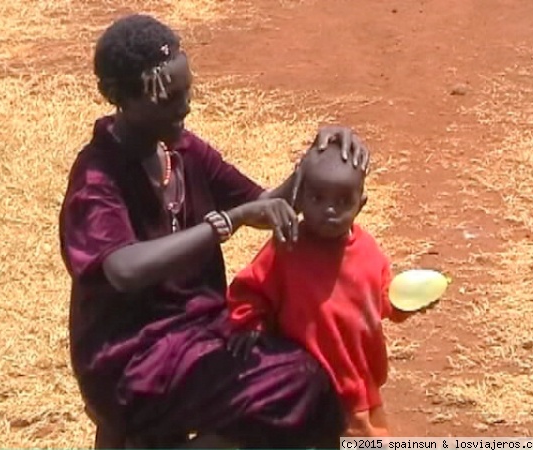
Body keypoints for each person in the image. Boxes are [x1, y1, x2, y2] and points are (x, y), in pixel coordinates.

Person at [58, 13, 370, 449]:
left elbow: (266, 203)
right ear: (124, 100)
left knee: (314, 368)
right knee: (300, 385)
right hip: (132, 358)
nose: (184, 106)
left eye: (186, 91)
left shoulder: (182, 151)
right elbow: (123, 269)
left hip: (199, 335)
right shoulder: (97, 178)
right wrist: (223, 224)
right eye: (168, 97)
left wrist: (319, 156)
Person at [226, 142, 434, 440]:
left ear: (361, 204)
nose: (329, 210)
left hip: (355, 376)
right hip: (303, 379)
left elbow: (382, 301)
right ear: (299, 198)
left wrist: (407, 303)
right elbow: (250, 289)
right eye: (317, 198)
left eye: (343, 201)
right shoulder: (287, 246)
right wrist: (251, 325)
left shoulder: (368, 253)